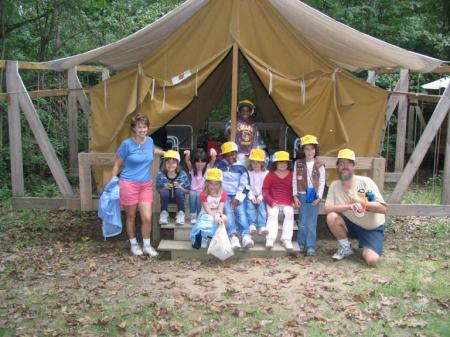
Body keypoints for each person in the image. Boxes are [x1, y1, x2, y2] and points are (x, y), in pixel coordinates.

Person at [111, 113, 164, 256]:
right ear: (134, 129)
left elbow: (152, 150)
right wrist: (112, 181)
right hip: (128, 184)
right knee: (131, 216)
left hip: (145, 184)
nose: (142, 130)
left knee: (147, 217)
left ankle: (147, 245)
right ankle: (134, 244)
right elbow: (117, 163)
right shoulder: (127, 144)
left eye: (145, 127)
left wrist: (166, 153)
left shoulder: (150, 141)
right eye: (139, 127)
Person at [325, 149, 387, 265]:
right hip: (350, 224)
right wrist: (349, 206)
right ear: (337, 167)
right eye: (341, 163)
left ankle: (367, 246)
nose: (345, 166)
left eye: (348, 163)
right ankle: (345, 247)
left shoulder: (365, 182)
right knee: (331, 216)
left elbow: (382, 208)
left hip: (370, 228)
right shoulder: (334, 185)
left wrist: (363, 202)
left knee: (371, 260)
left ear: (354, 166)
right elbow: (327, 209)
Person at [214, 141, 251, 250]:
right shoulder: (219, 167)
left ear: (236, 153)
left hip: (237, 196)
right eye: (227, 154)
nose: (230, 156)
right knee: (229, 212)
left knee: (241, 212)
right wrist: (221, 195)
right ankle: (233, 236)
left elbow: (245, 186)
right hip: (224, 195)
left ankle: (246, 235)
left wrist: (237, 199)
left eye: (232, 153)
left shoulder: (241, 168)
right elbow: (215, 181)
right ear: (223, 156)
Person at [293, 135, 325, 256]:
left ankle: (311, 245)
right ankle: (301, 243)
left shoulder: (320, 164)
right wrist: (295, 196)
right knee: (302, 221)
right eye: (306, 149)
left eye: (312, 149)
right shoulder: (298, 163)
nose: (309, 151)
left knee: (312, 222)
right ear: (303, 150)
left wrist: (319, 197)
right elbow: (294, 180)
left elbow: (322, 182)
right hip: (301, 195)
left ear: (315, 150)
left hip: (314, 196)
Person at [262, 151, 297, 251]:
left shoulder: (292, 175)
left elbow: (294, 189)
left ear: (288, 163)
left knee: (289, 213)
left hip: (287, 202)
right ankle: (270, 239)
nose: (282, 164)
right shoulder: (270, 175)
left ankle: (286, 239)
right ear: (275, 164)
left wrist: (293, 201)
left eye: (284, 162)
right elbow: (265, 190)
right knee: (273, 214)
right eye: (279, 162)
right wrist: (270, 201)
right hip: (273, 201)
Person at [190, 168, 228, 249]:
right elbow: (208, 210)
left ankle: (214, 237)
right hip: (206, 214)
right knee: (208, 219)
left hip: (217, 214)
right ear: (206, 183)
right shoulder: (203, 194)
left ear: (220, 184)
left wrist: (218, 216)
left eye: (216, 184)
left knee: (224, 218)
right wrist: (216, 217)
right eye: (211, 183)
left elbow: (220, 209)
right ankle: (203, 236)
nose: (213, 186)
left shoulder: (223, 194)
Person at [156, 150, 191, 225]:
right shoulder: (161, 174)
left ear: (177, 164)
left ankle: (181, 212)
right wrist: (164, 187)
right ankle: (164, 212)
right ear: (164, 163)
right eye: (168, 162)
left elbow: (188, 190)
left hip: (179, 198)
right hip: (166, 199)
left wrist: (180, 187)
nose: (170, 165)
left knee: (178, 190)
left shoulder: (182, 174)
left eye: (173, 162)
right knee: (164, 192)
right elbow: (158, 190)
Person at [225, 99, 264, 165]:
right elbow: (227, 133)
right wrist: (229, 129)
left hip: (250, 154)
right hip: (238, 153)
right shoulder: (234, 121)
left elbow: (256, 139)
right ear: (239, 111)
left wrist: (255, 151)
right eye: (243, 110)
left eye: (247, 111)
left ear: (251, 112)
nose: (245, 112)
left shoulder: (253, 125)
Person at [184, 148, 217, 224]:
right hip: (193, 192)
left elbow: (213, 159)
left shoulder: (208, 169)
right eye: (198, 162)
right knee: (193, 193)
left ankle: (199, 214)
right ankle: (193, 214)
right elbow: (187, 161)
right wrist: (188, 154)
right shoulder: (192, 169)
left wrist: (212, 151)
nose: (200, 164)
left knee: (199, 194)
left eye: (202, 162)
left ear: (206, 162)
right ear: (194, 162)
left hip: (203, 192)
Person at [246, 148, 269, 237]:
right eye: (253, 162)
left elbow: (266, 188)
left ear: (262, 163)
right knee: (250, 207)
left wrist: (260, 197)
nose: (255, 165)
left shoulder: (266, 173)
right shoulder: (248, 173)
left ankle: (262, 226)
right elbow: (247, 186)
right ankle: (252, 225)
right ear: (250, 163)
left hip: (262, 195)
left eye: (258, 162)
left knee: (262, 208)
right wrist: (251, 196)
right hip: (251, 194)